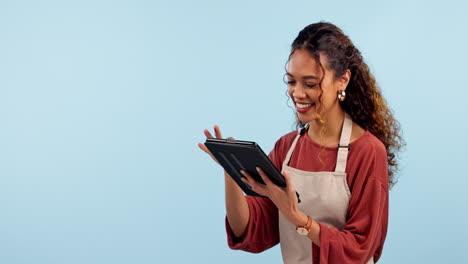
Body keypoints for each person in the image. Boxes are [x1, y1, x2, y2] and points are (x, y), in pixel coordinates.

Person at [198, 21, 404, 264]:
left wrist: (298, 218)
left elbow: (360, 249)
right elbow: (250, 230)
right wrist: (230, 172)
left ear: (343, 80)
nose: (297, 93)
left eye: (310, 84)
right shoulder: (286, 149)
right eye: (291, 81)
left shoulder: (367, 152)